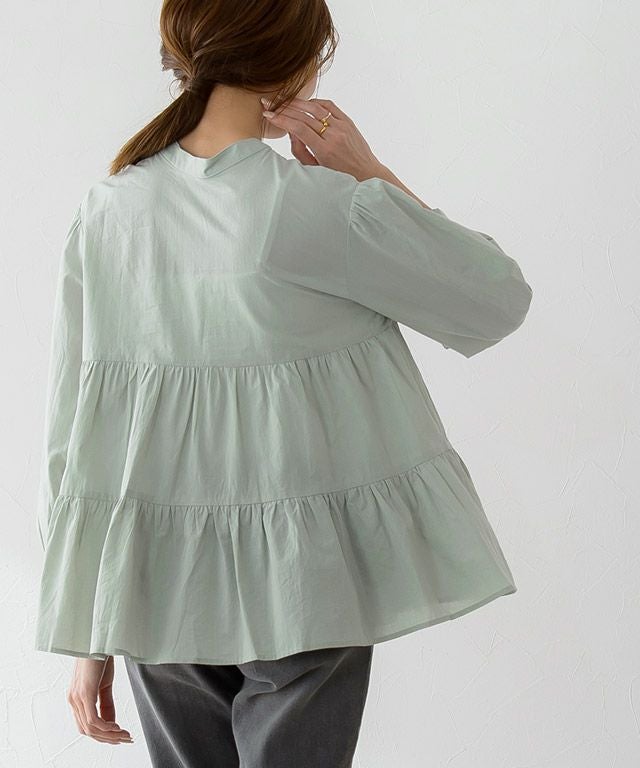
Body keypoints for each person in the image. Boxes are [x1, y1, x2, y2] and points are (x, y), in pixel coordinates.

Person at [33, 0, 533, 764]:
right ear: (293, 66)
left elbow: (74, 429)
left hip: (152, 588)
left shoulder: (108, 210)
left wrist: (86, 631)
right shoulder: (309, 207)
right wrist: (367, 171)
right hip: (303, 588)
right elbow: (494, 299)